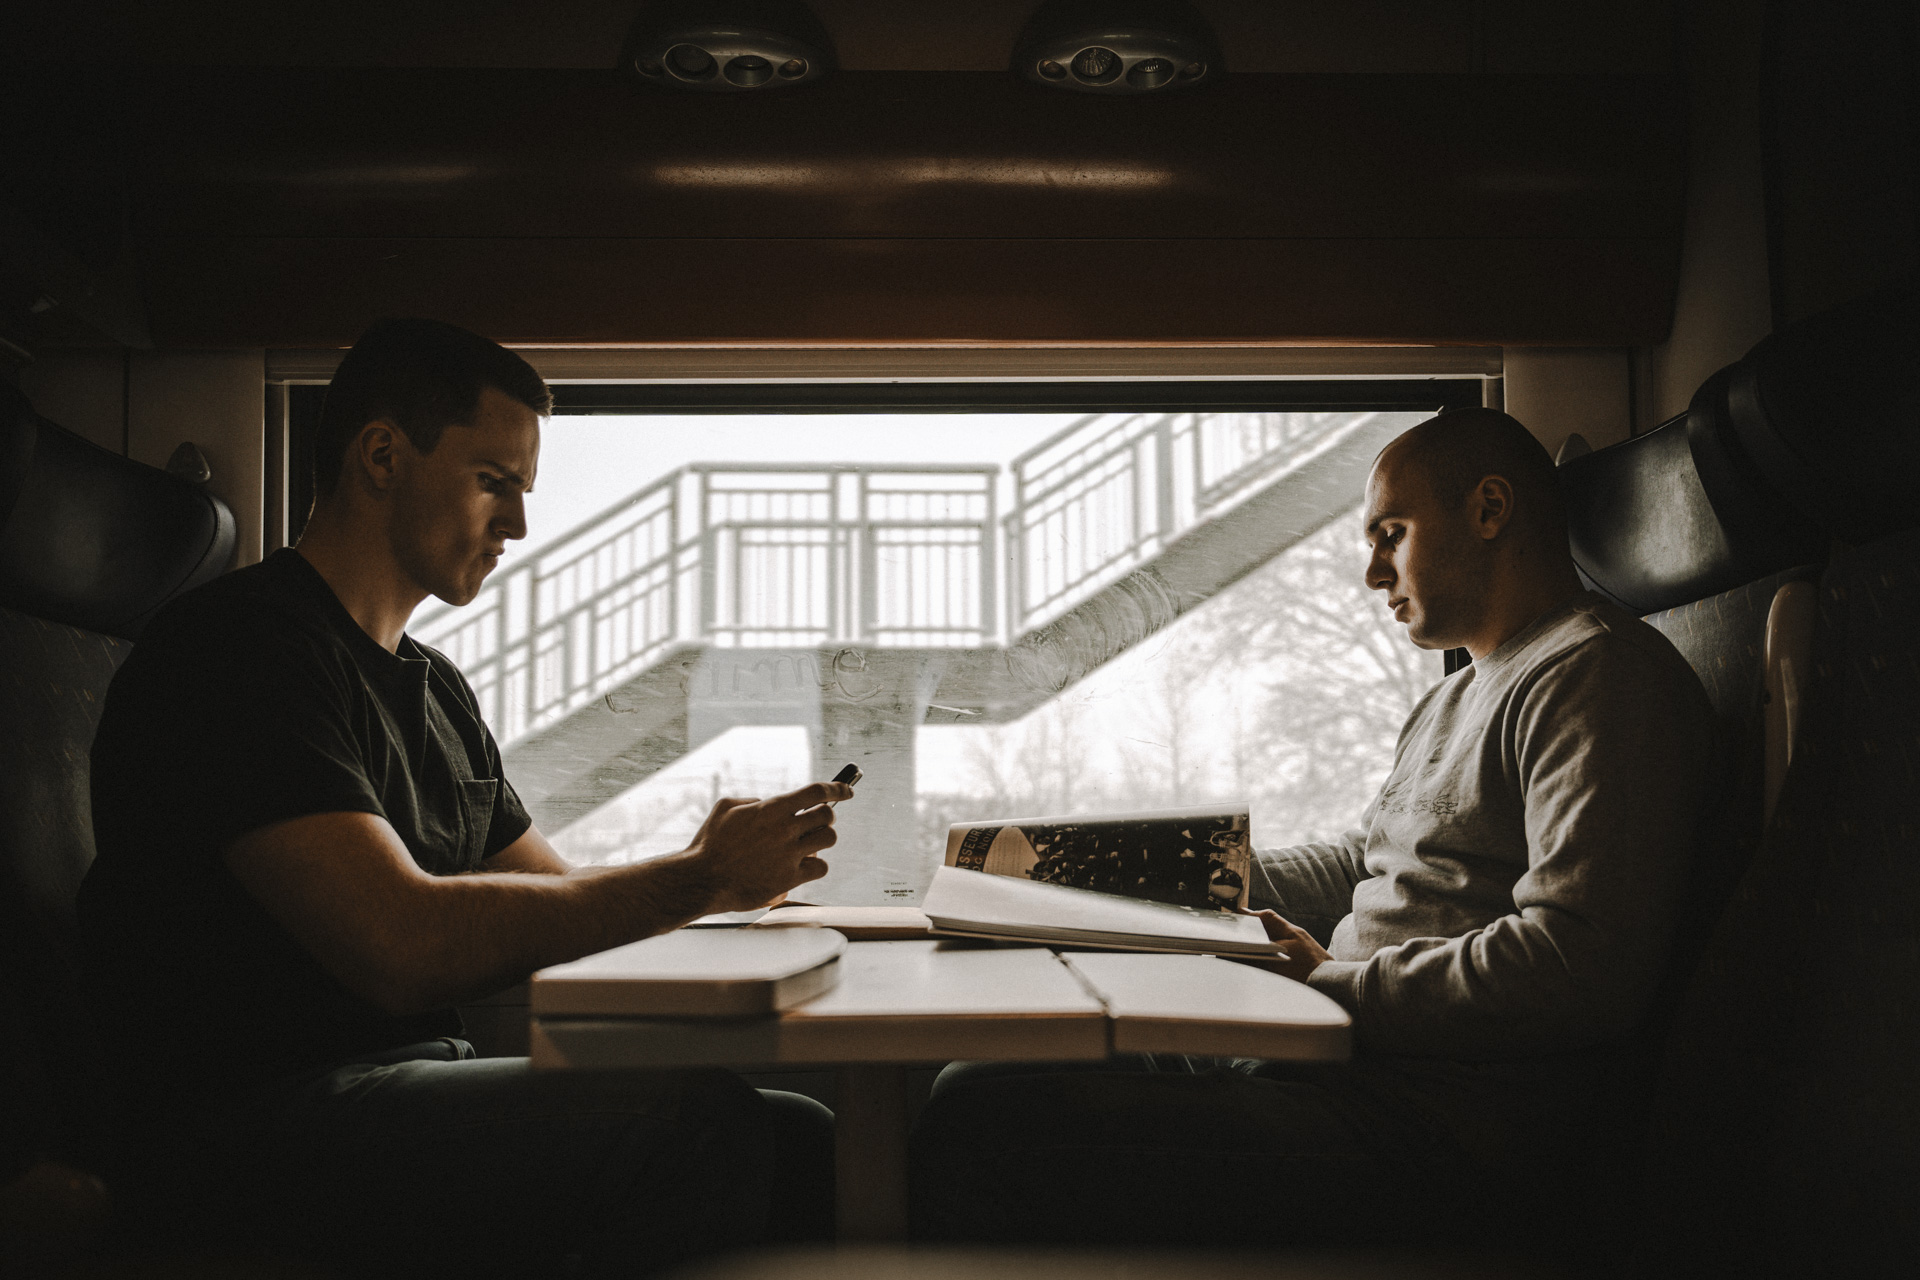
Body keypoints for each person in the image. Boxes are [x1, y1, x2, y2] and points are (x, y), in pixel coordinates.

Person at [78, 318, 852, 1278]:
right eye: (495, 482)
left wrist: (727, 886)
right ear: (381, 456)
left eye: (523, 492)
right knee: (698, 1127)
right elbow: (401, 945)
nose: (519, 526)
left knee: (808, 1141)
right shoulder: (238, 653)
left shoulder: (435, 689)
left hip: (403, 1088)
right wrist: (691, 880)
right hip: (254, 1122)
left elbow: (551, 911)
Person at [909, 408, 1715, 1254]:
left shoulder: (1597, 677)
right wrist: (1164, 879)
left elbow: (1580, 965)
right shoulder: (1453, 696)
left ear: (1488, 510)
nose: (1373, 574)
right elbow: (1369, 866)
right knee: (987, 1072)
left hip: (1432, 1133)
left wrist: (1334, 983)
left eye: (1391, 534)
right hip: (1340, 1070)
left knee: (986, 1127)